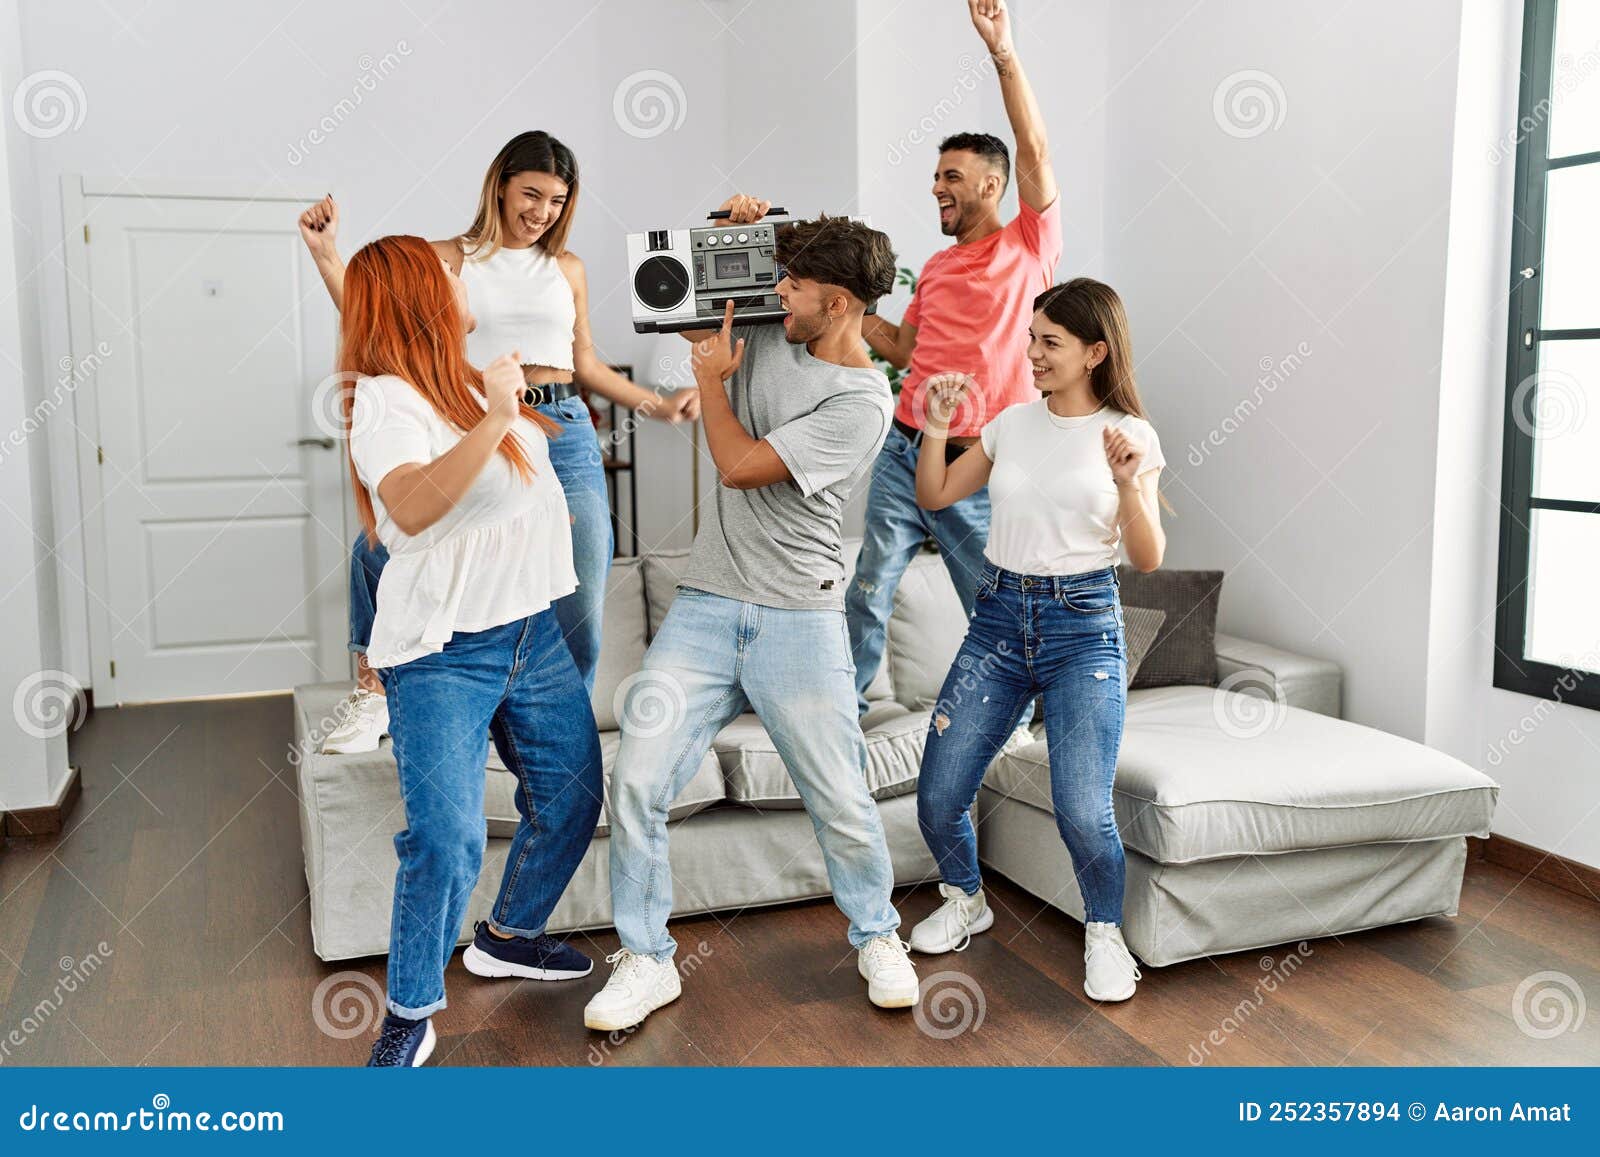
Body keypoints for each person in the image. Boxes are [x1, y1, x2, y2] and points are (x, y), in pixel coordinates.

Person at [582, 201, 919, 1032]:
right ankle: (647, 958)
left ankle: (879, 935)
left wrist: (708, 383)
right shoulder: (772, 325)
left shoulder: (863, 400)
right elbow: (680, 286)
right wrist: (742, 222)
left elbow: (737, 466)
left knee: (839, 794)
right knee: (637, 777)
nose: (780, 292)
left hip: (800, 618)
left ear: (838, 303)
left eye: (794, 284)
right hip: (705, 604)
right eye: (780, 278)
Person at [299, 131, 699, 754]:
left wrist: (659, 404)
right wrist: (328, 258)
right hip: (477, 417)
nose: (543, 212)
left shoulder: (567, 268)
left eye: (558, 200)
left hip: (563, 427)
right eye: (531, 194)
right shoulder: (446, 259)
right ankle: (375, 688)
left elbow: (587, 366)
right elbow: (379, 315)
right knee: (377, 546)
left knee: (582, 578)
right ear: (500, 187)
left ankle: (558, 729)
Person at [339, 235, 605, 1066]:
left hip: (531, 629)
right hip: (443, 652)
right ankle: (409, 1013)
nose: (465, 281)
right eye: (448, 274)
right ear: (421, 296)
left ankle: (509, 936)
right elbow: (411, 507)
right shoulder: (386, 399)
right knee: (446, 838)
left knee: (571, 796)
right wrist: (496, 418)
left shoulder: (456, 374)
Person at [908, 278, 1167, 1003]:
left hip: (1083, 629)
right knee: (938, 794)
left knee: (1082, 808)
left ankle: (1105, 933)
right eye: (1031, 338)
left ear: (1095, 352)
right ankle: (965, 898)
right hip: (998, 621)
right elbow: (935, 495)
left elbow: (1147, 557)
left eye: (1050, 342)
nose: (1033, 354)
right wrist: (936, 425)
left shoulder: (1130, 435)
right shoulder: (1012, 425)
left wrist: (1128, 484)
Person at [851, 0, 1059, 739]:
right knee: (868, 587)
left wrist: (1003, 53)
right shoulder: (937, 266)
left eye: (952, 177)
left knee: (990, 601)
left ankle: (1017, 723)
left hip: (976, 460)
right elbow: (908, 350)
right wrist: (848, 308)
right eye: (936, 175)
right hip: (907, 447)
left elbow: (1034, 148)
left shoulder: (1028, 245)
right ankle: (842, 714)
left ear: (992, 185)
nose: (937, 187)